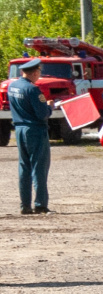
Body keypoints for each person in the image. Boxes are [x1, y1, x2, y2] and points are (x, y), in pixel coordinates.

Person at [9, 58, 52, 215]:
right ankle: (40, 204)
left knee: (24, 167)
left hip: (19, 129)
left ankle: (25, 205)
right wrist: (49, 107)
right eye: (39, 72)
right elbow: (42, 114)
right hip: (35, 130)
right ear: (34, 73)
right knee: (39, 167)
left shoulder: (13, 86)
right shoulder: (33, 89)